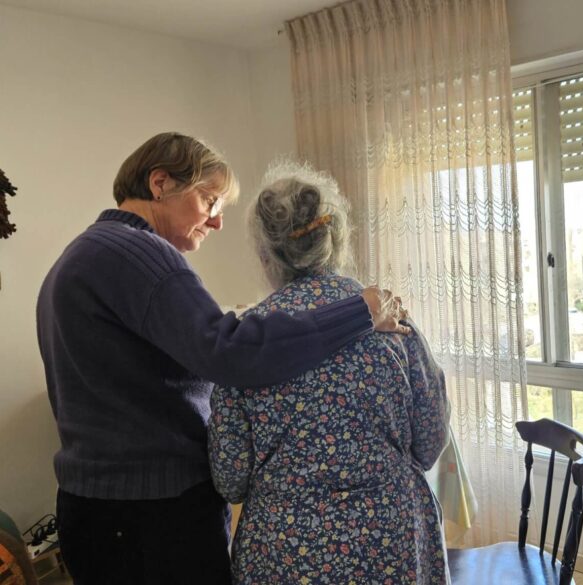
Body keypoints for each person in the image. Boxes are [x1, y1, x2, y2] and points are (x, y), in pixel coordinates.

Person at [35, 133, 408, 585]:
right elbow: (230, 352)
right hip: (148, 517)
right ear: (159, 183)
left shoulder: (86, 252)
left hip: (102, 508)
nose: (215, 222)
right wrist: (359, 312)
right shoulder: (140, 254)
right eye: (209, 201)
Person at [208, 161, 450, 585]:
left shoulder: (246, 341)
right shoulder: (390, 316)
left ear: (265, 253)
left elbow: (230, 479)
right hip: (390, 539)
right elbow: (430, 442)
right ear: (335, 239)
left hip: (286, 551)